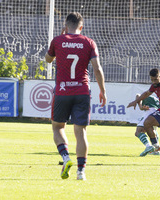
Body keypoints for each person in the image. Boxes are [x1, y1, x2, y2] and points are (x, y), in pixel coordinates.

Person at [45, 12, 107, 180]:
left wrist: (60, 37)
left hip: (63, 91)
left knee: (58, 127)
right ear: (81, 27)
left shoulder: (58, 41)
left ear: (66, 26)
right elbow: (97, 68)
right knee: (81, 132)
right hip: (82, 91)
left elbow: (48, 59)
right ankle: (81, 172)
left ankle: (66, 158)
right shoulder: (89, 42)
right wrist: (102, 90)